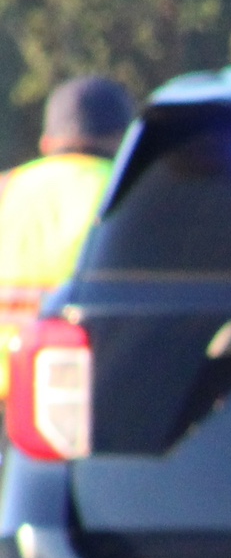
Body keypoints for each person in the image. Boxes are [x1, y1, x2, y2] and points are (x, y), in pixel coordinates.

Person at [0, 75, 132, 390]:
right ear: (123, 139)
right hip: (68, 396)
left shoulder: (7, 187)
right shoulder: (122, 193)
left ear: (47, 141)